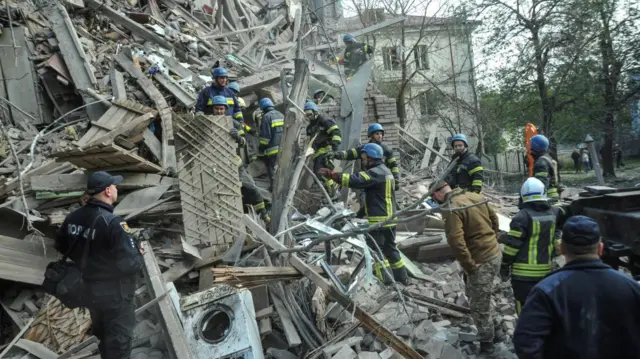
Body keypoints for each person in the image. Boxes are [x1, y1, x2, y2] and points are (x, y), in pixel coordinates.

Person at [513, 215, 640, 359]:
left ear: (561, 249)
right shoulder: (630, 286)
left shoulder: (546, 290)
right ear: (600, 248)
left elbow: (526, 343)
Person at [55, 171, 143, 359]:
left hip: (89, 292)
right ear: (108, 191)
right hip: (116, 298)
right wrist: (138, 253)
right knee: (119, 346)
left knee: (104, 341)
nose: (117, 188)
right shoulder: (113, 223)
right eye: (114, 185)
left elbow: (61, 246)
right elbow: (131, 265)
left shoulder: (73, 218)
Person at [318, 143, 408, 284]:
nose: (363, 160)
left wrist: (332, 175)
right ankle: (402, 278)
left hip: (379, 220)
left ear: (371, 157)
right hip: (390, 218)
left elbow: (355, 180)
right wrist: (360, 213)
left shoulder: (376, 172)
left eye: (364, 157)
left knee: (376, 250)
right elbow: (377, 196)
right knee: (390, 248)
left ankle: (386, 281)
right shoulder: (385, 171)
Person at [429, 180, 501, 354]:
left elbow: (456, 241)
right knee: (482, 294)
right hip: (494, 253)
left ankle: (487, 345)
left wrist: (469, 264)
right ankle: (496, 329)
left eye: (433, 197)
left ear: (438, 193)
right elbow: (494, 220)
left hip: (480, 260)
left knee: (478, 304)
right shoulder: (475, 196)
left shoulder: (452, 207)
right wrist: (492, 239)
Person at [500, 177, 569, 314]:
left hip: (522, 276)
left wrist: (505, 265)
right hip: (546, 272)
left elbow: (512, 247)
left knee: (525, 310)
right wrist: (556, 239)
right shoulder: (554, 213)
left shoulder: (521, 217)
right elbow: (563, 220)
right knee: (544, 309)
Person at [211, 96, 270, 225]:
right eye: (217, 109)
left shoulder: (235, 124)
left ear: (226, 109)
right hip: (215, 164)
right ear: (213, 109)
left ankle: (264, 215)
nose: (219, 111)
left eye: (221, 109)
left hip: (234, 162)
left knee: (251, 188)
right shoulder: (208, 124)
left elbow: (243, 143)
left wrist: (238, 137)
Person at [331, 123, 400, 190]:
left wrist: (396, 179)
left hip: (381, 182)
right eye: (377, 134)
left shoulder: (386, 150)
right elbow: (350, 153)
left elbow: (393, 165)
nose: (380, 136)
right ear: (371, 135)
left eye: (381, 134)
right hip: (367, 180)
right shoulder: (365, 149)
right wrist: (336, 154)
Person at [305, 101, 342, 195]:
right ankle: (331, 192)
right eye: (306, 115)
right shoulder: (309, 127)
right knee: (319, 173)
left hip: (326, 150)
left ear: (315, 111)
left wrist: (335, 149)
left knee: (322, 172)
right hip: (317, 154)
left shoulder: (324, 119)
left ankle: (333, 192)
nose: (308, 117)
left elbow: (336, 132)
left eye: (309, 114)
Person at [257, 98, 284, 191]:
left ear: (262, 108)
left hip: (272, 150)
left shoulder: (266, 117)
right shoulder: (282, 115)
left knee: (272, 169)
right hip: (283, 148)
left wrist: (261, 148)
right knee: (281, 169)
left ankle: (274, 189)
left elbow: (265, 137)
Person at [529, 134, 560, 201]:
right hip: (553, 196)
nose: (530, 149)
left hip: (547, 199)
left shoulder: (541, 163)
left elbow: (541, 184)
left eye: (531, 146)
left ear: (536, 147)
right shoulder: (548, 158)